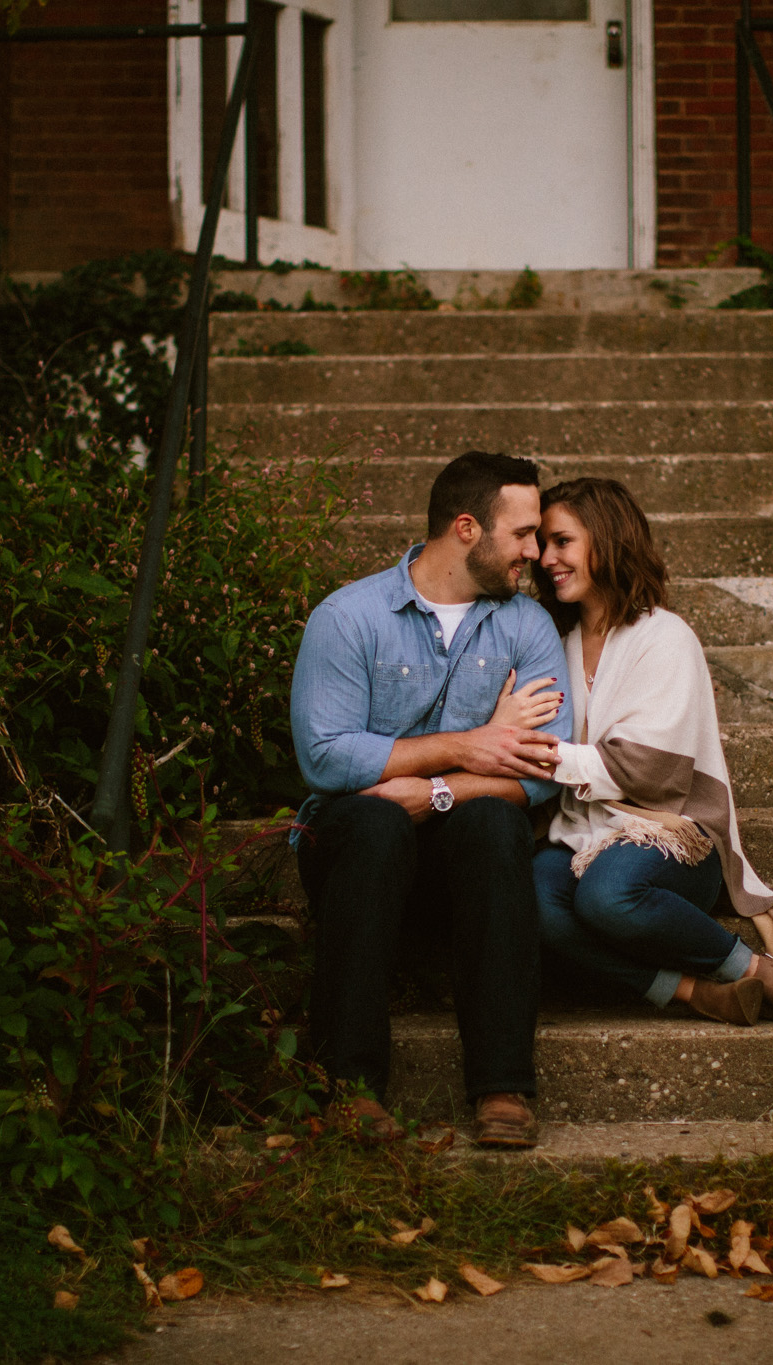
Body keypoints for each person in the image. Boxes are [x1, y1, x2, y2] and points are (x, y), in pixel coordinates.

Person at [289, 451, 572, 1148]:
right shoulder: (349, 617)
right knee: (375, 820)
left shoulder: (527, 627)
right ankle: (347, 1087)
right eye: (524, 534)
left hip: (459, 867)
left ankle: (503, 1087)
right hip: (354, 855)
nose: (535, 553)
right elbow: (326, 755)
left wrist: (437, 787)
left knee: (494, 818)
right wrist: (470, 745)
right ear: (467, 528)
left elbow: (540, 767)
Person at [527, 477, 773, 1026]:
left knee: (607, 896)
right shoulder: (552, 640)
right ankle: (691, 991)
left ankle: (753, 971)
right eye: (543, 544)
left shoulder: (664, 637)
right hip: (580, 829)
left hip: (674, 832)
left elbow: (648, 770)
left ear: (607, 541)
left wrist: (534, 754)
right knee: (531, 904)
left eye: (562, 542)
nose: (545, 558)